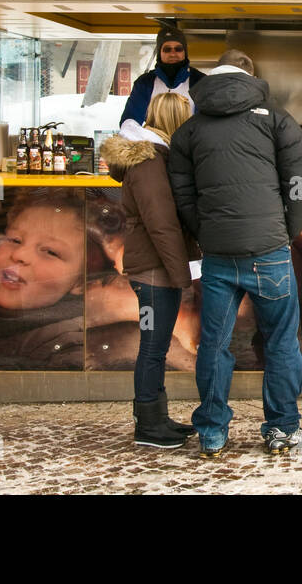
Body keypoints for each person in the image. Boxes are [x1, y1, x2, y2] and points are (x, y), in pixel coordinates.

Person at [168, 48, 302, 457]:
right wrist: (285, 232)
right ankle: (283, 428)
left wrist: (206, 233)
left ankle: (213, 431)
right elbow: (300, 180)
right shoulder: (277, 120)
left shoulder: (189, 130)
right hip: (269, 250)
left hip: (217, 254)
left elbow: (183, 195)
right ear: (250, 75)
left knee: (214, 344)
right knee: (282, 342)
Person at [100, 92, 201, 450]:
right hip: (154, 270)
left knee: (155, 345)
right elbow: (162, 225)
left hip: (156, 267)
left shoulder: (155, 157)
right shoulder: (150, 162)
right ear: (177, 122)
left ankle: (157, 418)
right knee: (154, 347)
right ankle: (148, 425)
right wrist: (181, 274)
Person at [0, 189, 122, 370]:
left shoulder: (66, 346)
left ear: (81, 283)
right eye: (16, 240)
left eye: (50, 252)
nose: (20, 254)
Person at [119, 25, 206, 127]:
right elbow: (130, 120)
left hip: (190, 141)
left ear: (185, 52)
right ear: (159, 53)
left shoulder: (200, 81)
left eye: (178, 49)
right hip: (155, 141)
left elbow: (206, 123)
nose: (173, 54)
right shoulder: (145, 83)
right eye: (167, 49)